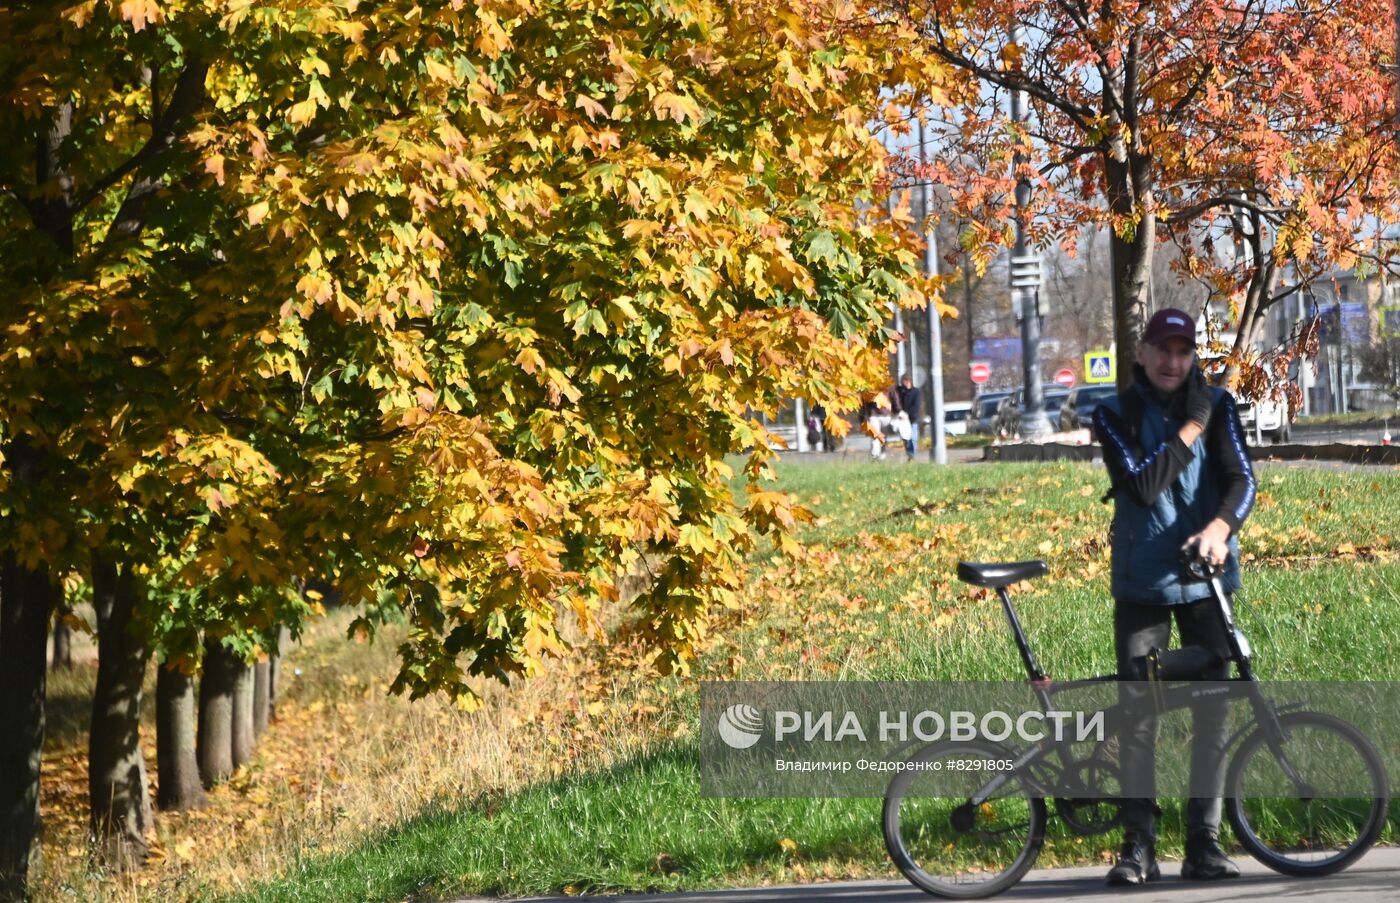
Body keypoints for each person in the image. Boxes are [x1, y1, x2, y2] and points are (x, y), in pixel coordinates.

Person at [1090, 308, 1257, 887]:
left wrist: (1219, 529)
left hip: (1208, 581)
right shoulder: (1114, 414)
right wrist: (1191, 427)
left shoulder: (1222, 410)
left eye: (1183, 351)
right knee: (1139, 716)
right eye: (1162, 348)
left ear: (1192, 357)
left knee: (1213, 713)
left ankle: (1203, 843)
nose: (1172, 361)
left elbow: (1243, 480)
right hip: (1143, 586)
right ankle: (1138, 845)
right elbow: (1140, 484)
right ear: (1141, 352)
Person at [896, 373, 921, 460]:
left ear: (910, 381)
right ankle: (910, 454)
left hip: (912, 418)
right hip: (902, 419)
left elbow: (916, 406)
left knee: (913, 438)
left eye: (906, 381)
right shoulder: (900, 391)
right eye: (903, 381)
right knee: (906, 438)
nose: (905, 383)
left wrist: (908, 414)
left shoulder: (916, 392)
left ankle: (912, 454)